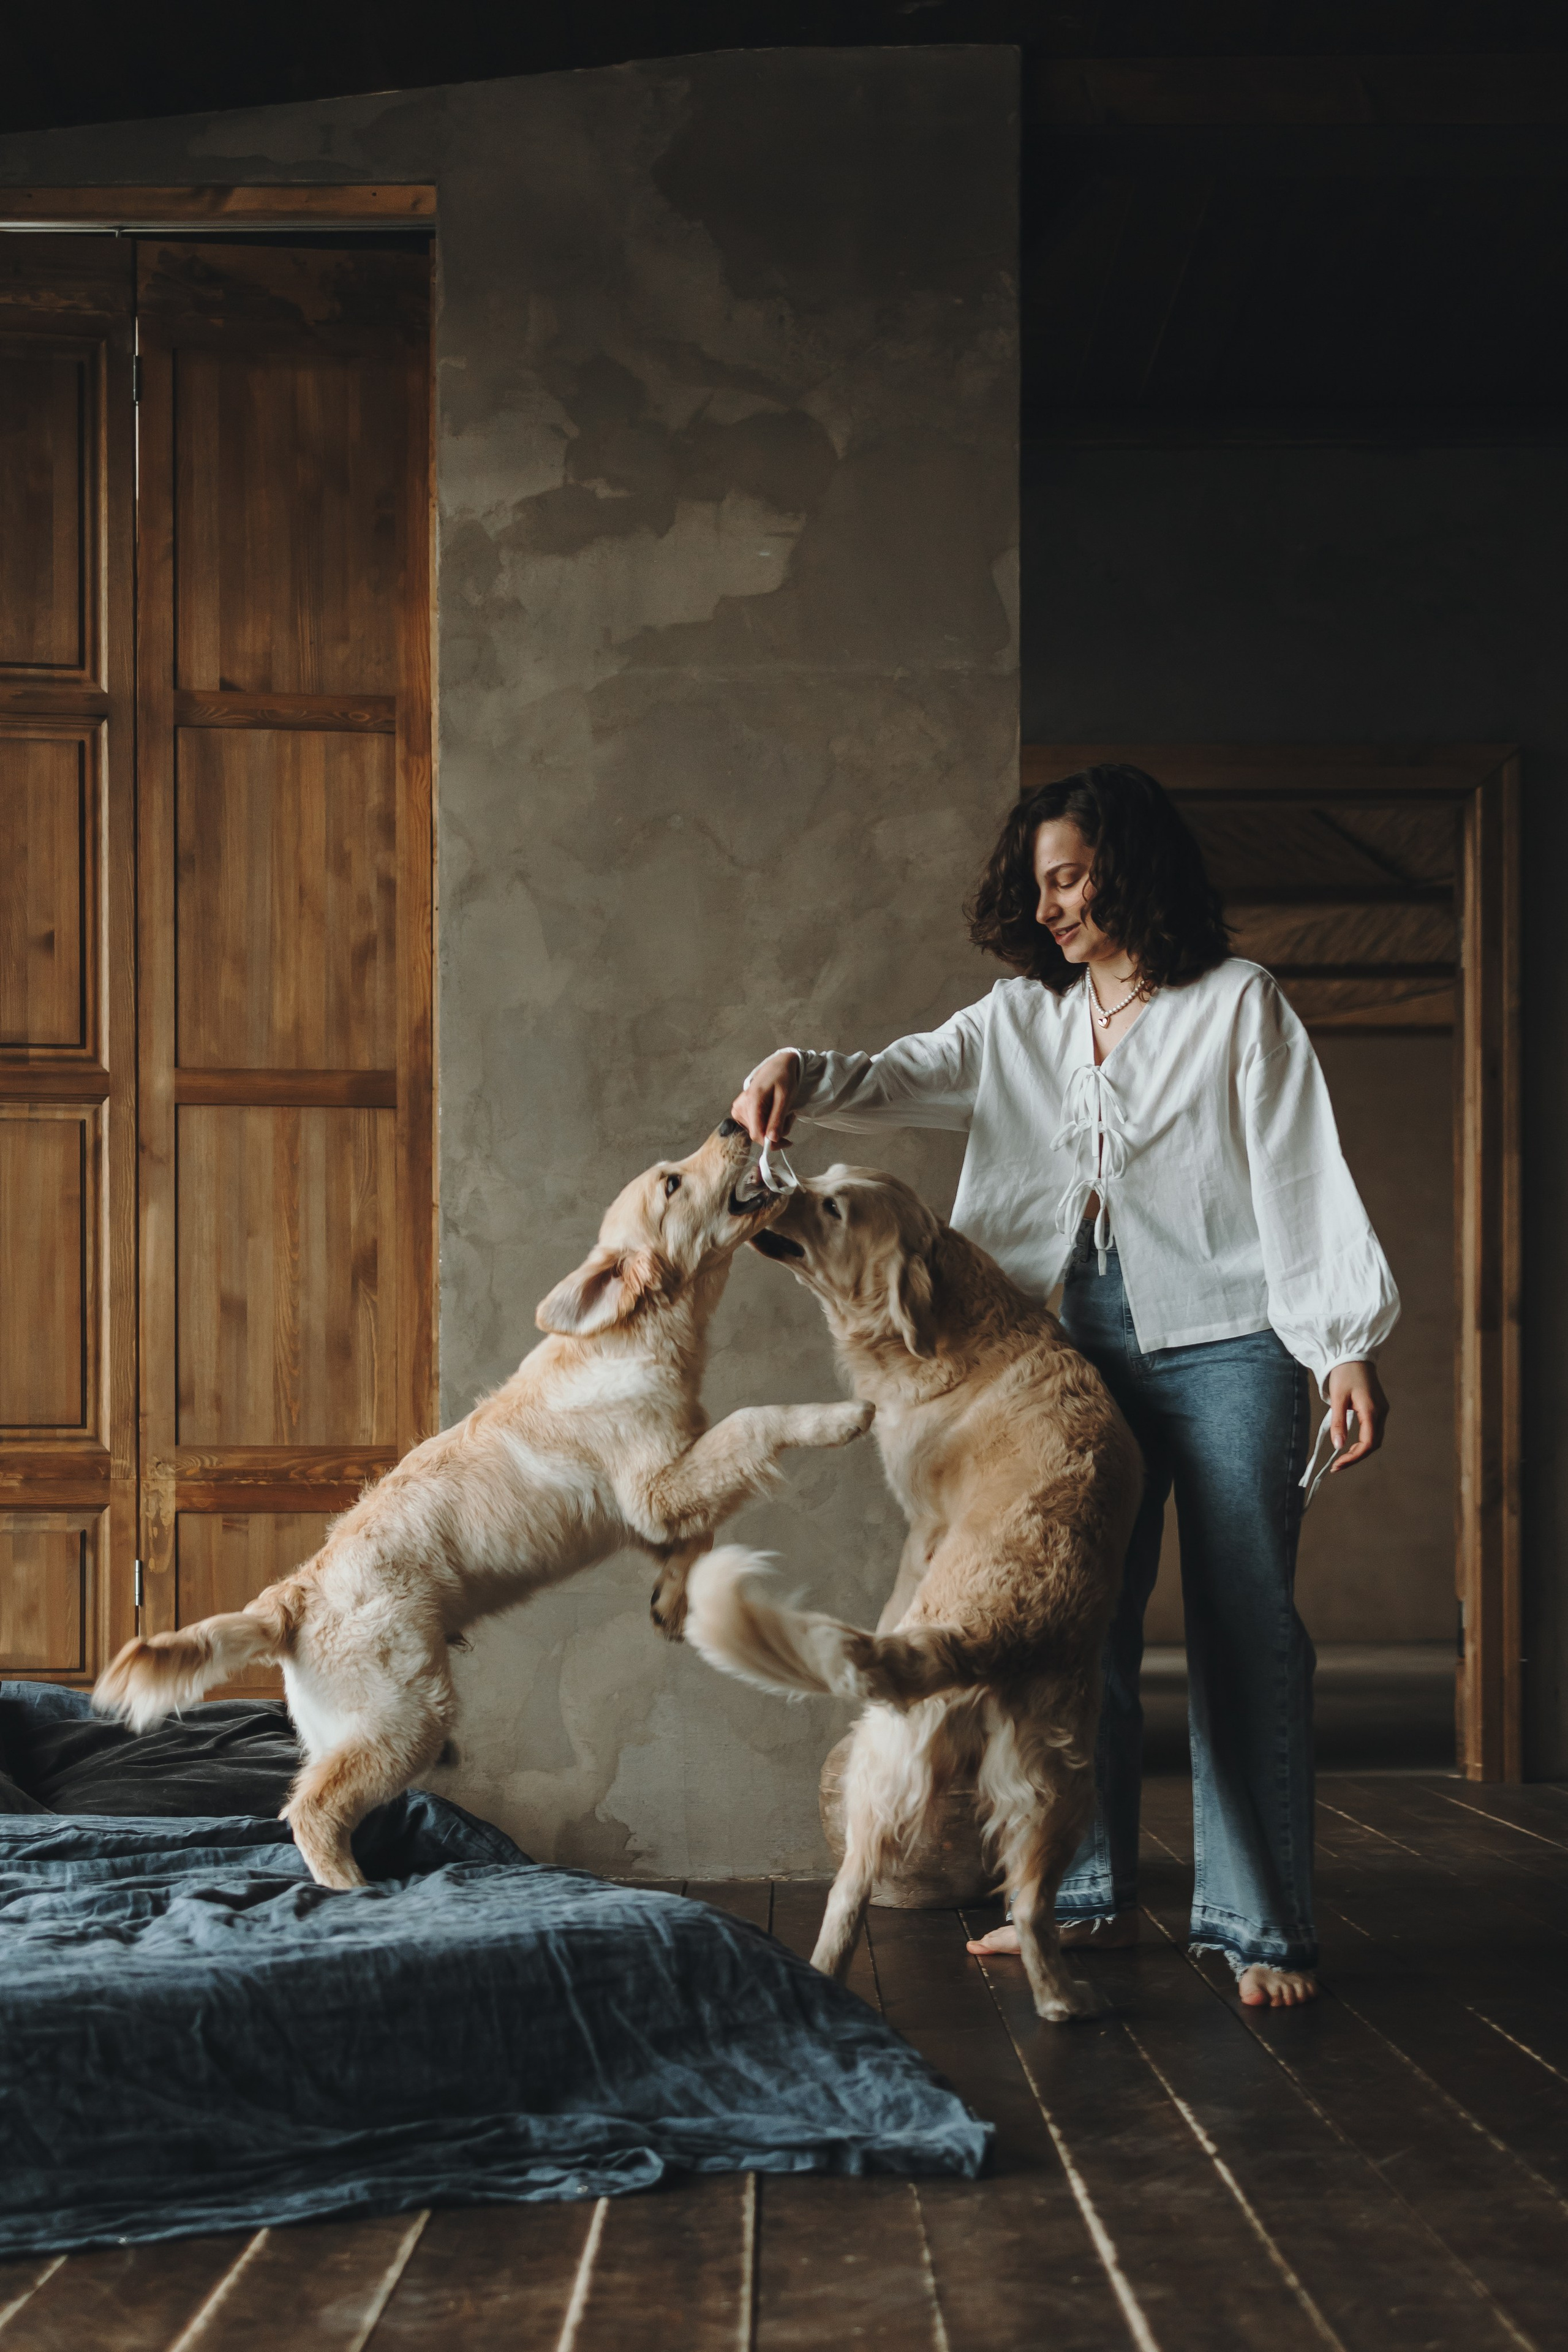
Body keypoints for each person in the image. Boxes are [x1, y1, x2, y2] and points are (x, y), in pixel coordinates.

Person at [730, 763, 1396, 2009]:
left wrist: (1341, 1344)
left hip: (1231, 1341)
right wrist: (795, 1068)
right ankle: (1076, 1897)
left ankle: (1260, 1928)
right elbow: (891, 1075)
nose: (1048, 907)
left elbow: (1299, 1172)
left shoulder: (1235, 1005)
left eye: (1071, 878)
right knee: (1075, 1623)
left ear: (1128, 868)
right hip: (1064, 1352)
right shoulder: (1018, 1019)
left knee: (1244, 1624)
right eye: (1037, 884)